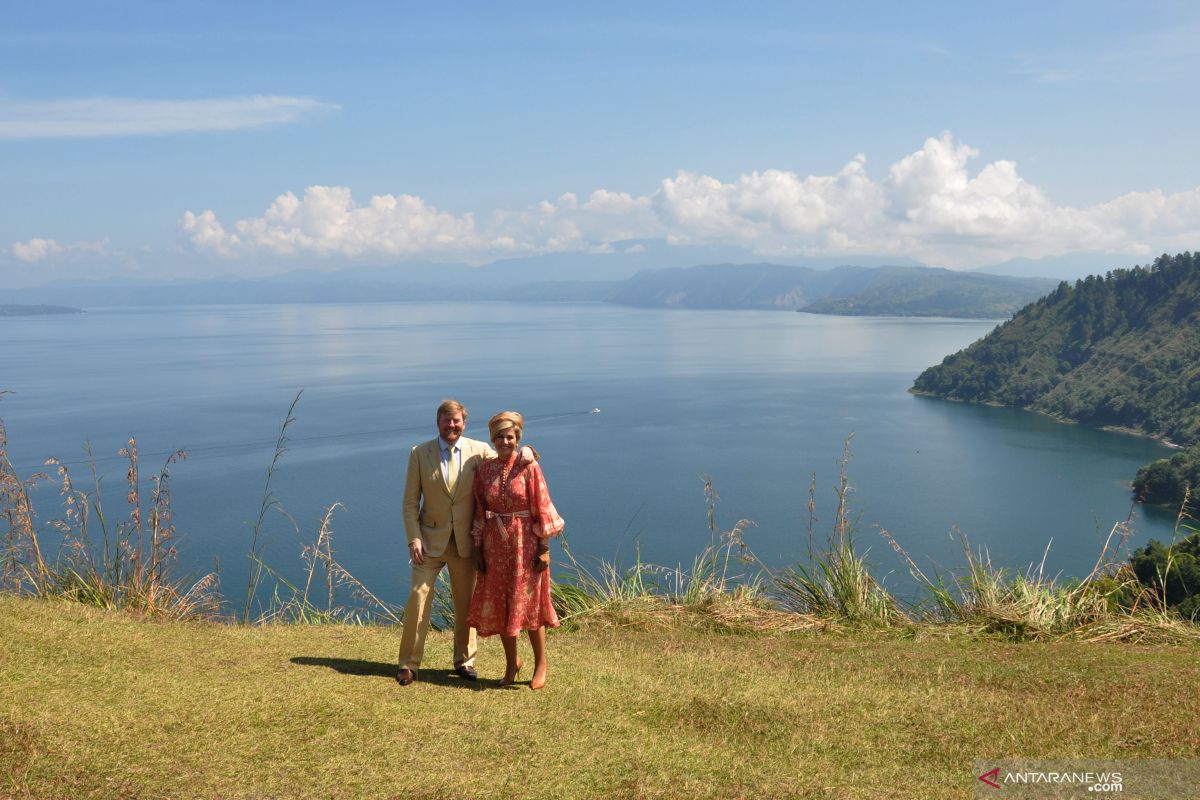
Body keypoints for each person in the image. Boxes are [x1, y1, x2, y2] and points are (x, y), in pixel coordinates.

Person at [397, 399, 534, 686]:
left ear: (464, 423)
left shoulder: (479, 452)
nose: (452, 425)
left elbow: (505, 454)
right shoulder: (419, 454)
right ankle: (409, 664)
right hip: (429, 542)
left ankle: (465, 661)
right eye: (447, 420)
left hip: (466, 544)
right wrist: (414, 538)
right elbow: (410, 503)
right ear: (438, 422)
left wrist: (528, 450)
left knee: (466, 605)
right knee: (418, 600)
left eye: (456, 420)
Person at [468, 411, 565, 690]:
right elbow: (478, 508)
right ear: (493, 439)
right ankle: (512, 664)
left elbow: (542, 505)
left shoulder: (529, 466)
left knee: (532, 606)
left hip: (526, 545)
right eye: (499, 437)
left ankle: (541, 664)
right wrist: (477, 548)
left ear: (517, 438)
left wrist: (544, 548)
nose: (505, 441)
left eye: (510, 437)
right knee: (502, 605)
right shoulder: (484, 470)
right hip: (494, 546)